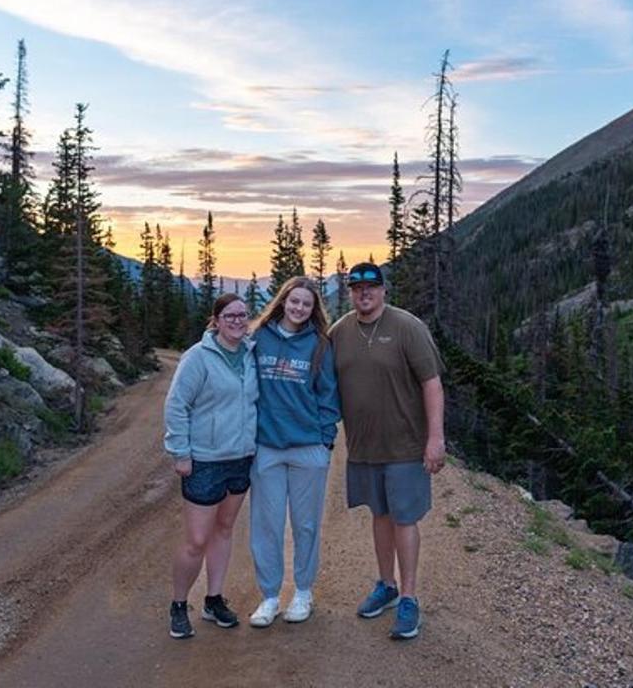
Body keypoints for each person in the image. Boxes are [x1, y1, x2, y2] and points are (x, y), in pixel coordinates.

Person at [328, 262, 445, 640]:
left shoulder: (407, 327)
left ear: (383, 291)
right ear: (350, 292)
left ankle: (409, 598)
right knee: (380, 515)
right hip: (363, 447)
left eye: (371, 287)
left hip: (406, 445)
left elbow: (431, 384)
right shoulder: (340, 332)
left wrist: (435, 438)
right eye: (356, 287)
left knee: (404, 518)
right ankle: (386, 585)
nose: (364, 293)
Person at [246, 276, 341, 628]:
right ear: (282, 301)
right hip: (266, 448)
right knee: (266, 525)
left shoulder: (319, 344)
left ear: (313, 309)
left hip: (308, 449)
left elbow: (329, 396)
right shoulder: (259, 337)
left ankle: (303, 592)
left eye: (307, 304)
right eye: (294, 301)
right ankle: (269, 597)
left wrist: (325, 440)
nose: (299, 308)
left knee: (305, 524)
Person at [163, 293, 258, 640]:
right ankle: (178, 604)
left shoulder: (250, 356)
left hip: (241, 459)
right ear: (216, 320)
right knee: (196, 540)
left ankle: (213, 599)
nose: (237, 320)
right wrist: (180, 452)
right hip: (204, 460)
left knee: (224, 530)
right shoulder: (197, 358)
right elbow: (176, 406)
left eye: (242, 315)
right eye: (230, 315)